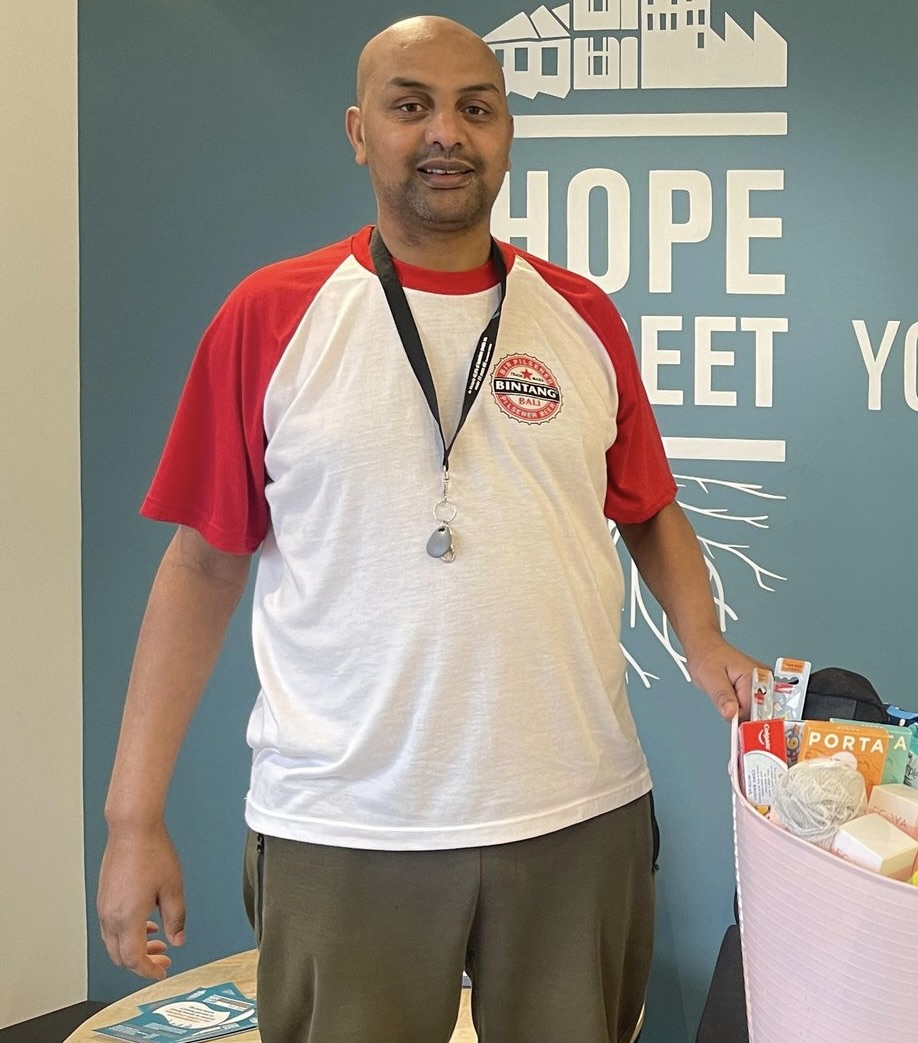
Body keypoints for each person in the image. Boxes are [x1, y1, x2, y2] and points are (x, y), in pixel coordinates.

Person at [94, 16, 756, 1042]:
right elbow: (199, 568)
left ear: (506, 134)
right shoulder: (270, 315)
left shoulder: (580, 312)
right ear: (361, 132)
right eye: (411, 105)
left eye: (474, 107)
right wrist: (132, 817)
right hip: (346, 822)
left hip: (574, 813)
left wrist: (704, 637)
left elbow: (648, 507)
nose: (445, 131)